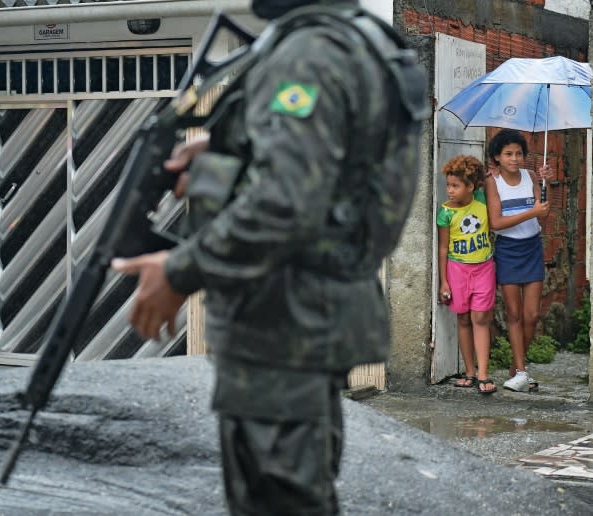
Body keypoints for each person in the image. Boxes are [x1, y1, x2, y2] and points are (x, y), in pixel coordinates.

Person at [112, 1, 428, 514]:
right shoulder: (349, 42)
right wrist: (216, 159)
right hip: (304, 314)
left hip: (285, 319)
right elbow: (318, 179)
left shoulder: (308, 53)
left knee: (279, 501)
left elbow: (284, 204)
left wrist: (178, 270)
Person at [484, 129, 550, 393]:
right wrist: (531, 211)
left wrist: (545, 190)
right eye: (508, 154)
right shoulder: (492, 182)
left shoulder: (531, 176)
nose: (514, 159)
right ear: (497, 158)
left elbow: (543, 217)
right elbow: (496, 222)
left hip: (532, 247)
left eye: (519, 153)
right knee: (513, 314)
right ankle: (522, 371)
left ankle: (516, 368)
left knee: (531, 315)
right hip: (508, 249)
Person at [436, 155, 496, 395]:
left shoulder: (481, 199)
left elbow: (488, 183)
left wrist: (488, 175)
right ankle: (469, 372)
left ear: (471, 187)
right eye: (448, 185)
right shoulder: (445, 213)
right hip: (457, 269)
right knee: (462, 319)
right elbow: (443, 248)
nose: (450, 190)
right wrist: (444, 281)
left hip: (483, 267)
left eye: (456, 185)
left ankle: (483, 374)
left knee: (480, 318)